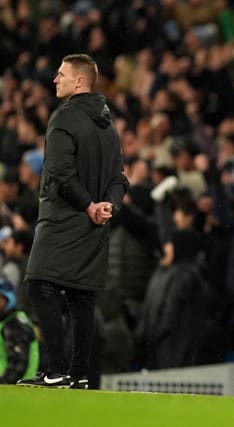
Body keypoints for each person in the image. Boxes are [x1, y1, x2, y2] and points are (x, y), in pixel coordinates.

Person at [17, 54, 129, 389]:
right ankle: (78, 375)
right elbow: (119, 178)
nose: (55, 79)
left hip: (64, 218)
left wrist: (89, 206)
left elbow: (60, 175)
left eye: (62, 74)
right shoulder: (108, 126)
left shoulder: (63, 118)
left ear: (79, 82)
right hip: (94, 223)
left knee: (38, 284)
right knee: (81, 297)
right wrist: (108, 205)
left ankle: (55, 370)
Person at [0, 277, 39, 384]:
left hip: (14, 388)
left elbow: (18, 364)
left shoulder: (15, 324)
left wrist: (4, 383)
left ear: (8, 299)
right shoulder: (4, 322)